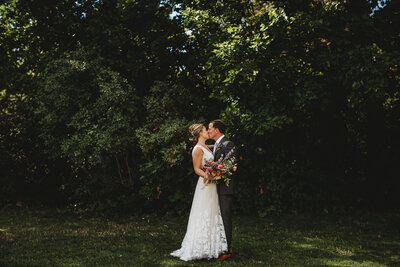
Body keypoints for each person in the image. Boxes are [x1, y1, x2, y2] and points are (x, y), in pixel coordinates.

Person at [170, 124, 228, 261]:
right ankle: (200, 247)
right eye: (205, 130)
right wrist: (210, 176)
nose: (208, 131)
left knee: (212, 212)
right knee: (205, 212)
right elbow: (197, 169)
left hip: (212, 185)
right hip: (206, 185)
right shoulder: (197, 149)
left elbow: (214, 148)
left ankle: (213, 246)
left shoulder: (205, 147)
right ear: (199, 134)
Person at [208, 119, 238, 261]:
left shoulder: (228, 144)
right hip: (216, 187)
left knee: (225, 217)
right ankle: (220, 245)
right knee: (218, 217)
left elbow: (230, 165)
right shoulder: (215, 144)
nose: (208, 131)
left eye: (210, 128)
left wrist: (216, 173)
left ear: (217, 130)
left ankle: (226, 250)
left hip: (225, 188)